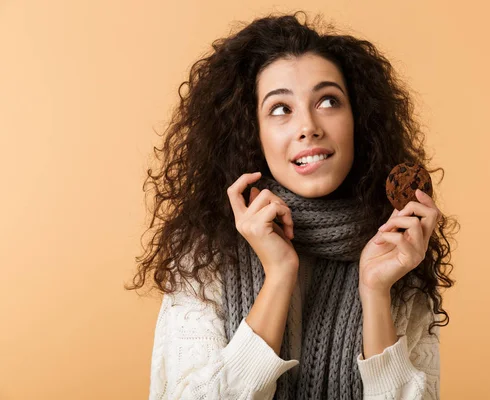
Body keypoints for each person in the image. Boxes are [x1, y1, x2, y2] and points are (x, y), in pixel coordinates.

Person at [126, 10, 458, 400]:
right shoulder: (204, 254)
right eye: (281, 109)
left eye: (329, 101)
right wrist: (279, 274)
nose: (308, 126)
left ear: (359, 121)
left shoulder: (398, 253)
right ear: (253, 132)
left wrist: (375, 292)